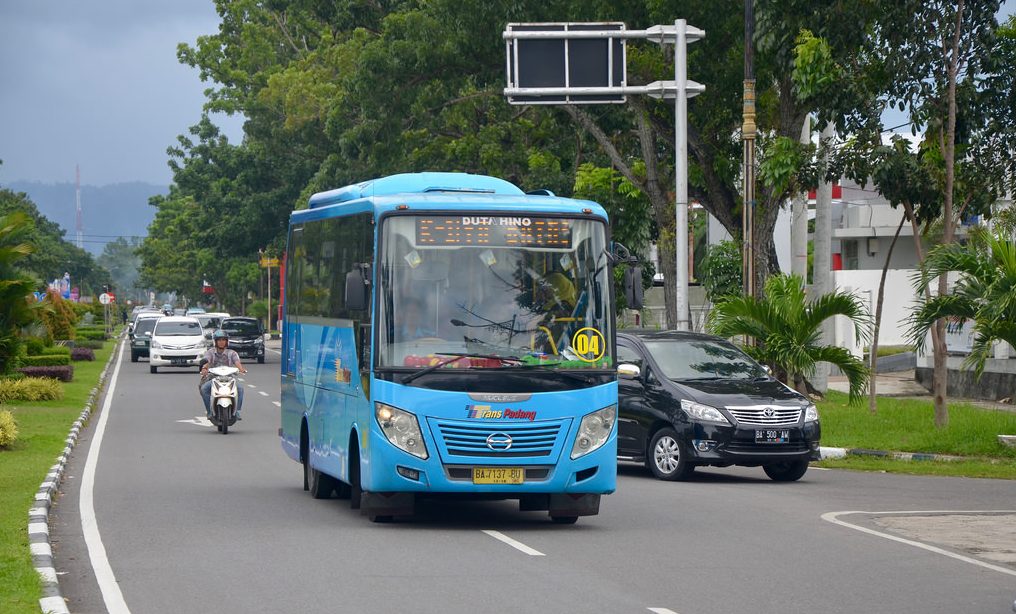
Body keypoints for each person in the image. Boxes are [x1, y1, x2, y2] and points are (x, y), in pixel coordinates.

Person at [199, 329, 247, 420]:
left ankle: (237, 411)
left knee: (240, 389)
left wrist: (241, 369)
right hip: (213, 378)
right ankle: (209, 411)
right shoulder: (210, 352)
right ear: (215, 342)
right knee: (204, 388)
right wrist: (204, 369)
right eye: (219, 340)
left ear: (227, 341)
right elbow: (207, 361)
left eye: (223, 340)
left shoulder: (232, 353)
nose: (221, 342)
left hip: (229, 378)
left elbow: (237, 363)